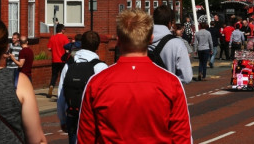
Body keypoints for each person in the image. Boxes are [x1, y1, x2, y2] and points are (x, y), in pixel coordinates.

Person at [77, 9, 192, 143]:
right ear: (150, 39)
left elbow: (85, 139)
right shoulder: (172, 83)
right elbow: (182, 138)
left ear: (118, 41)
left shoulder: (97, 83)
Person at [57, 30, 108, 144]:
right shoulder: (101, 67)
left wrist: (62, 119)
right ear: (97, 46)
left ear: (82, 44)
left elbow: (61, 94)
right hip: (93, 119)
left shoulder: (69, 64)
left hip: (72, 115)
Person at [149, 5, 193, 83]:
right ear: (171, 23)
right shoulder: (177, 44)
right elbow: (186, 77)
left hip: (145, 91)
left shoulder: (140, 40)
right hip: (167, 90)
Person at [47, 23, 69, 98]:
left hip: (55, 60)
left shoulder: (52, 38)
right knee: (63, 76)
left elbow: (49, 48)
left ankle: (51, 86)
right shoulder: (65, 38)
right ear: (62, 30)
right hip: (62, 60)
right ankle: (63, 92)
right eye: (64, 29)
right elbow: (67, 50)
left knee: (54, 75)